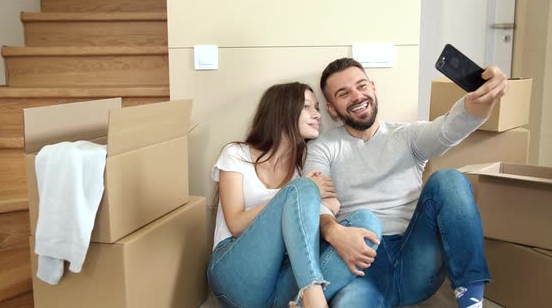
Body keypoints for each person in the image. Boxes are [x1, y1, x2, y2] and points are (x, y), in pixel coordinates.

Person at [304, 58, 508, 308]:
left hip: (416, 256)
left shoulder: (406, 135)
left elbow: (447, 130)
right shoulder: (322, 148)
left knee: (449, 180)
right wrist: (334, 232)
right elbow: (314, 203)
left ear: (373, 87)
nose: (357, 96)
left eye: (361, 86)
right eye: (344, 93)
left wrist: (479, 102)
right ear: (332, 108)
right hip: (361, 266)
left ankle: (472, 300)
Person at [207, 82, 383, 308]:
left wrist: (324, 205)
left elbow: (326, 210)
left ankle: (301, 303)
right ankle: (313, 294)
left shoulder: (304, 167)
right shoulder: (236, 154)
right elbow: (236, 224)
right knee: (303, 188)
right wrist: (296, 193)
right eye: (307, 107)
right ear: (283, 110)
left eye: (318, 108)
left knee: (366, 223)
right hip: (236, 272)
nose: (317, 115)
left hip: (283, 279)